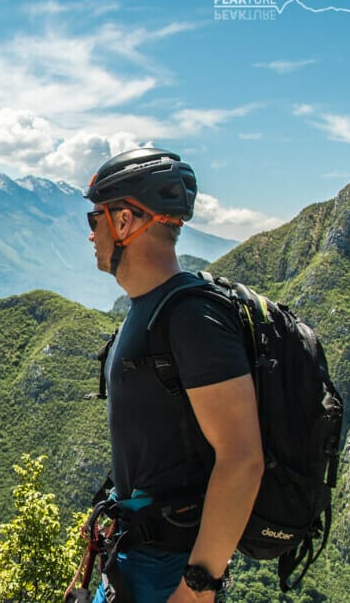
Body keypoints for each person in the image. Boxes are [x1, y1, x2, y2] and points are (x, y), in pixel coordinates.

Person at [84, 148, 264, 602]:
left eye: (95, 219)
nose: (91, 235)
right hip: (132, 556)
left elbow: (242, 458)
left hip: (167, 573)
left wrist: (197, 587)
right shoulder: (148, 308)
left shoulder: (192, 318)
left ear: (125, 221)